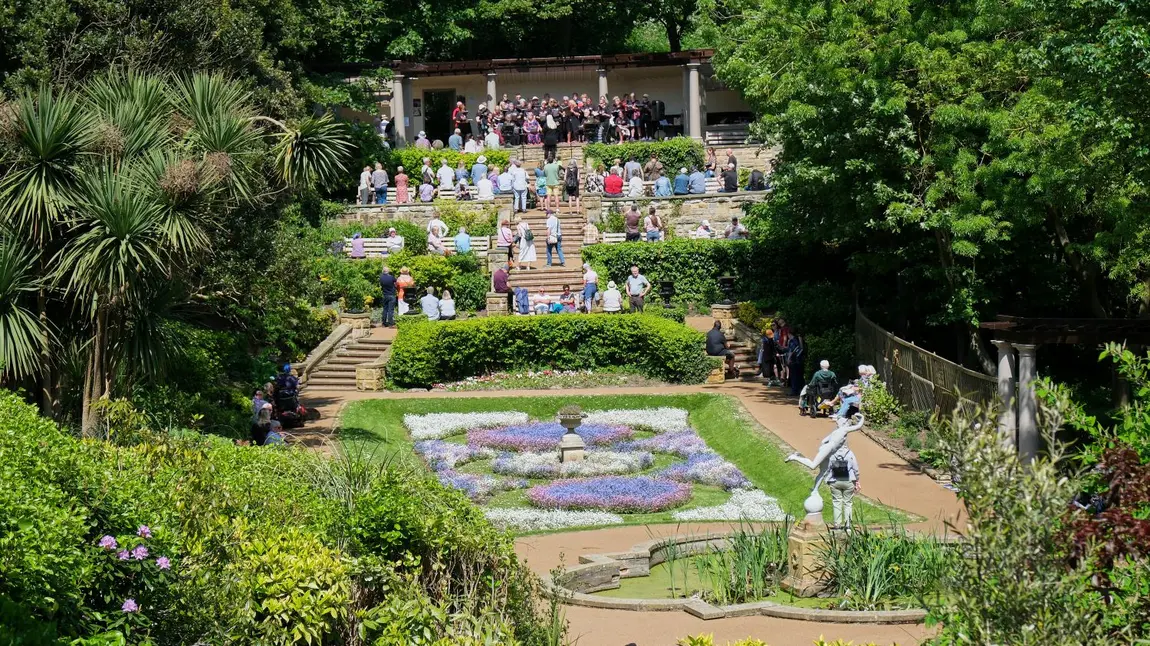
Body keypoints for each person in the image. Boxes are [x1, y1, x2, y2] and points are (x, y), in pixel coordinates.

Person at [827, 441, 861, 529]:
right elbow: (855, 468)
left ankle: (837, 524)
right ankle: (848, 524)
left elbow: (828, 468)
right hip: (849, 481)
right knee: (848, 502)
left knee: (837, 502)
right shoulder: (850, 453)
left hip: (835, 481)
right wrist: (857, 480)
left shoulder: (832, 453)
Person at [786, 327, 805, 396]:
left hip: (793, 360)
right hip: (799, 360)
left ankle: (794, 391)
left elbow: (792, 351)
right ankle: (801, 390)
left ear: (789, 334)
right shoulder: (798, 339)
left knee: (794, 376)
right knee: (799, 375)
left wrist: (788, 359)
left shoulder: (792, 341)